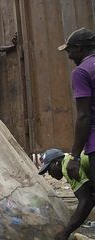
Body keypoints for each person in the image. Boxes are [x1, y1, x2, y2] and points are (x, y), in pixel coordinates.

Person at [57, 28, 95, 186]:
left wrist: (74, 156)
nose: (70, 56)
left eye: (70, 50)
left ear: (79, 48)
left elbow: (84, 116)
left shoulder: (81, 72)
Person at [38, 149, 95, 240]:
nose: (49, 174)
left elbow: (86, 202)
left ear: (56, 163)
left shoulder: (68, 167)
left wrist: (66, 232)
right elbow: (90, 198)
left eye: (48, 169)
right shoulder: (70, 162)